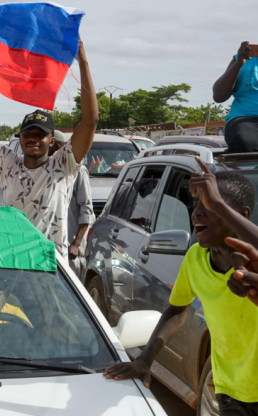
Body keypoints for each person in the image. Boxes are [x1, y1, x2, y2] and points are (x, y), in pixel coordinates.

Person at [104, 165, 258, 414]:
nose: (196, 213)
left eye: (211, 206)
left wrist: (217, 203)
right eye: (196, 204)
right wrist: (145, 360)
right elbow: (177, 309)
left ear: (241, 215)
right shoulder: (196, 257)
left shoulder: (254, 260)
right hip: (231, 390)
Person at [0, 40, 97, 257]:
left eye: (40, 135)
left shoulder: (63, 165)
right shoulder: (8, 164)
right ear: (20, 139)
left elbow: (90, 120)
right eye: (28, 134)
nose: (33, 139)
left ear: (52, 141)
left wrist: (83, 62)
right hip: (15, 264)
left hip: (53, 267)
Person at [51, 130, 94, 277]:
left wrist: (76, 244)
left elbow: (86, 210)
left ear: (55, 145)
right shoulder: (48, 171)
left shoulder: (78, 171)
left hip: (70, 251)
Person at [213, 41, 258, 153]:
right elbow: (219, 96)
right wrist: (238, 63)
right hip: (245, 119)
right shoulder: (244, 59)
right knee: (246, 143)